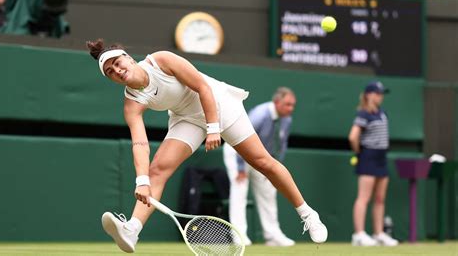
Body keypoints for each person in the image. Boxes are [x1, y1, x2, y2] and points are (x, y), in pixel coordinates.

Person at [86, 39, 327, 253]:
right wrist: (142, 181)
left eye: (118, 63)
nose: (117, 70)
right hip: (186, 118)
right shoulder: (132, 102)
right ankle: (132, 230)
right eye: (110, 72)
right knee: (157, 171)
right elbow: (139, 142)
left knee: (262, 162)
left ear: (128, 57)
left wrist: (213, 127)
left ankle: (307, 213)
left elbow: (202, 87)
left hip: (219, 104)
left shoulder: (161, 60)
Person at [223, 87, 296, 246]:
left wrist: (273, 168)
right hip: (237, 151)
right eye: (287, 104)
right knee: (240, 191)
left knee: (269, 191)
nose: (291, 108)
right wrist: (241, 169)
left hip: (261, 157)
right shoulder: (260, 115)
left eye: (293, 105)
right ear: (277, 102)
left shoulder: (287, 120)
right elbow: (239, 138)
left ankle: (272, 235)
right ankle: (239, 235)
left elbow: (281, 146)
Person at [348, 80, 398, 247]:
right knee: (364, 198)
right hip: (368, 155)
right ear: (369, 94)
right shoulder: (363, 114)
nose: (380, 96)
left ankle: (378, 234)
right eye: (378, 93)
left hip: (382, 157)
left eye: (382, 93)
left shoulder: (383, 113)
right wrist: (359, 152)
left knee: (379, 199)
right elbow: (353, 136)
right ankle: (359, 234)